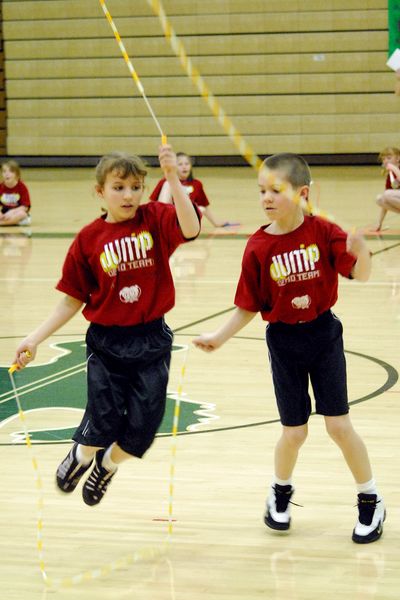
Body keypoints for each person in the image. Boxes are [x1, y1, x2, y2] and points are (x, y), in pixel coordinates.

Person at [193, 153, 385, 544]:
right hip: (283, 341)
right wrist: (219, 337)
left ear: (303, 193)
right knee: (294, 432)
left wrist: (362, 251)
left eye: (275, 190)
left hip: (323, 335)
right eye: (262, 190)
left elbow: (360, 275)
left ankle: (371, 498)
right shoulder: (258, 246)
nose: (266, 197)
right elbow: (248, 305)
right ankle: (280, 491)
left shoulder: (324, 232)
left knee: (338, 425)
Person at [13, 143, 201, 507]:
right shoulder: (87, 240)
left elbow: (191, 228)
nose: (128, 195)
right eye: (119, 187)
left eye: (135, 187)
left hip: (151, 340)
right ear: (100, 192)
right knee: (104, 421)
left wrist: (172, 178)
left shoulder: (156, 219)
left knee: (142, 431)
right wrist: (34, 339)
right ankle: (81, 456)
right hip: (107, 343)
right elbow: (71, 299)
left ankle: (106, 465)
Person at [149, 151, 239, 228]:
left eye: (187, 164)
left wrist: (216, 223)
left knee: (201, 209)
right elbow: (152, 203)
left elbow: (205, 207)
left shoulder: (197, 184)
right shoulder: (166, 181)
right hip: (168, 217)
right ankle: (160, 224)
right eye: (180, 164)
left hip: (185, 221)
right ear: (174, 167)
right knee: (168, 184)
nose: (184, 167)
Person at [373, 146, 400, 231]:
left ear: (398, 158)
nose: (386, 161)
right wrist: (379, 222)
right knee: (380, 199)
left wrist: (394, 169)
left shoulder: (395, 170)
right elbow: (386, 197)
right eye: (384, 159)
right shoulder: (390, 175)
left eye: (389, 158)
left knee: (387, 194)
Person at [0, 160, 31, 226]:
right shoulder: (0, 187)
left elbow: (25, 207)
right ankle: (13, 222)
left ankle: (3, 223)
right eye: (4, 171)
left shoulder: (22, 187)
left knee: (22, 214)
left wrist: (12, 212)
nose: (6, 174)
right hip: (4, 213)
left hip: (17, 211)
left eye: (10, 171)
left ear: (17, 174)